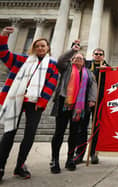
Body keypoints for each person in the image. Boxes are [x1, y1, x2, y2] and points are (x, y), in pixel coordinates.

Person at [0, 26, 58, 181]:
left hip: (35, 102)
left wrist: (43, 101)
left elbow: (50, 85)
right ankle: (0, 166)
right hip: (16, 98)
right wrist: (4, 36)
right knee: (9, 132)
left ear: (47, 48)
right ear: (34, 48)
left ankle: (20, 165)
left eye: (43, 46)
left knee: (29, 134)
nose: (40, 48)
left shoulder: (52, 65)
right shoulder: (22, 60)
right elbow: (4, 54)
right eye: (37, 46)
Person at [49, 40, 97, 174]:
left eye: (80, 58)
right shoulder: (66, 69)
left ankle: (70, 159)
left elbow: (93, 87)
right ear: (72, 60)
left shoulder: (89, 73)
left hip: (79, 108)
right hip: (64, 104)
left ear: (84, 61)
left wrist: (92, 99)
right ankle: (54, 160)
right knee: (59, 133)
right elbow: (60, 60)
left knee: (73, 134)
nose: (77, 60)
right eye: (75, 58)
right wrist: (73, 50)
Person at [74, 48, 109, 165]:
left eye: (100, 54)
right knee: (81, 128)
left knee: (96, 128)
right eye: (96, 54)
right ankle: (79, 154)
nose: (98, 56)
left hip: (99, 101)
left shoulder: (107, 67)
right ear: (93, 55)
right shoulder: (86, 64)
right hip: (84, 100)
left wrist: (105, 72)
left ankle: (93, 153)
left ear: (103, 56)